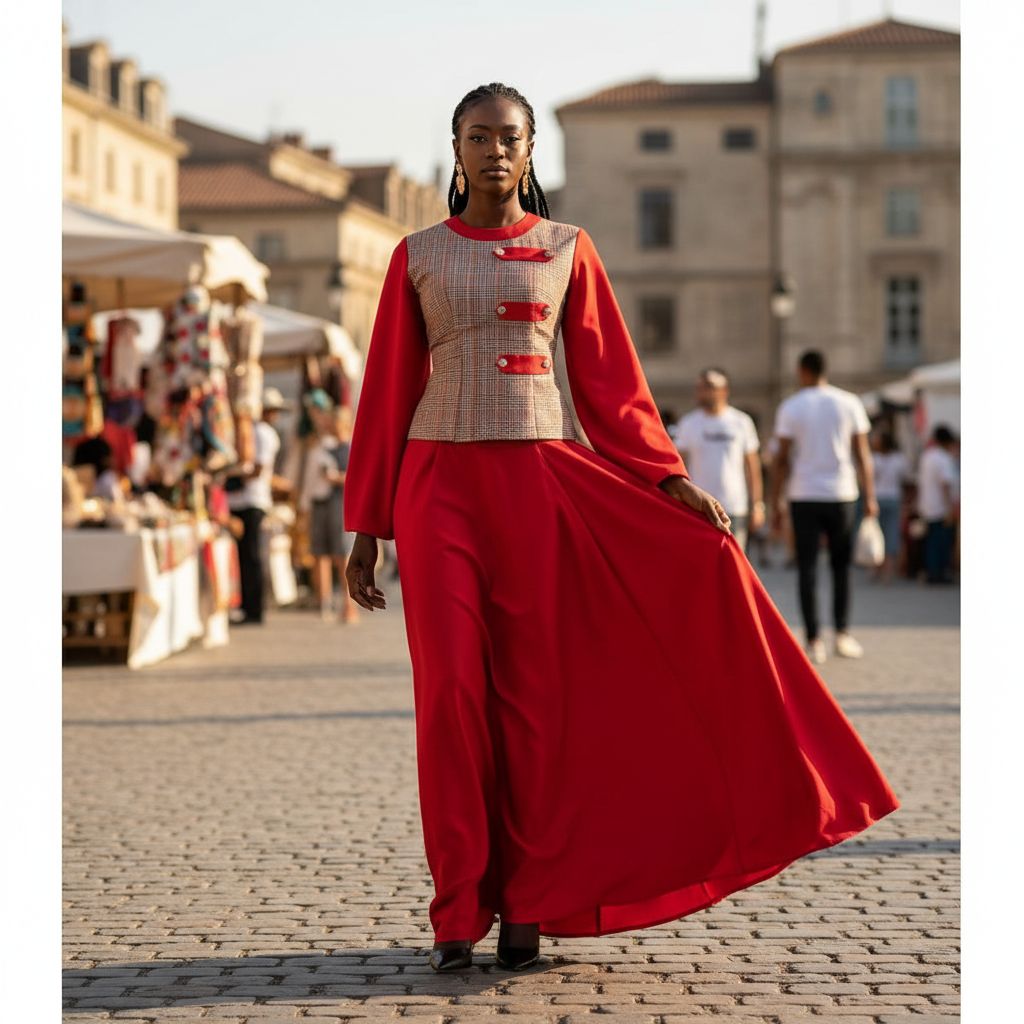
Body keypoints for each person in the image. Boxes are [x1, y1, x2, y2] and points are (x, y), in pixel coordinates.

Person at [342, 83, 899, 974]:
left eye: (509, 138)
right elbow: (386, 392)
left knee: (534, 705)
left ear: (530, 153)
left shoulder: (569, 249)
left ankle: (529, 900)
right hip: (438, 483)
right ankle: (458, 906)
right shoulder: (416, 255)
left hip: (539, 482)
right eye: (477, 136)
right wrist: (366, 524)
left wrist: (669, 478)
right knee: (450, 696)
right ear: (454, 147)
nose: (493, 151)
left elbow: (609, 381)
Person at [769, 350, 878, 665]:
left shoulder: (791, 406)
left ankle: (814, 639)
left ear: (802, 371)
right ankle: (842, 634)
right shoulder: (850, 403)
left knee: (807, 567)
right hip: (842, 493)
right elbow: (863, 455)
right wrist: (869, 496)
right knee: (841, 567)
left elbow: (781, 459)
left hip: (803, 494)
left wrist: (776, 499)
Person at [670, 368, 764, 552]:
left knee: (735, 564)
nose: (702, 391)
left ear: (724, 390)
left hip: (734, 508)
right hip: (699, 508)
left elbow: (752, 467)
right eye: (700, 386)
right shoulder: (688, 424)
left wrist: (758, 506)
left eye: (709, 386)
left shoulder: (741, 422)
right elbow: (678, 464)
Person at [228, 387, 287, 625]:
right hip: (246, 499)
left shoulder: (262, 433)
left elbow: (258, 469)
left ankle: (254, 609)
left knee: (251, 556)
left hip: (251, 499)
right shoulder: (254, 431)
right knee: (245, 556)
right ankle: (247, 606)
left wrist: (231, 478)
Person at [301, 390, 360, 624]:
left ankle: (348, 604)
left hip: (340, 503)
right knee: (320, 553)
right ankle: (323, 601)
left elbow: (358, 478)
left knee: (341, 554)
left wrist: (337, 478)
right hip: (323, 501)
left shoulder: (351, 448)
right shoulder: (324, 447)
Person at [916, 424, 959, 584]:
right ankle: (938, 573)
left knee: (931, 541)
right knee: (941, 542)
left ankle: (932, 572)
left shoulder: (927, 456)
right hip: (941, 507)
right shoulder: (944, 458)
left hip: (927, 505)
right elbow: (945, 484)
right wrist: (949, 508)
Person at [871, 431, 910, 584]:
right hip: (892, 499)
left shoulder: (874, 459)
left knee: (879, 533)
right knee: (890, 533)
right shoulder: (898, 460)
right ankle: (886, 570)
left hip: (879, 499)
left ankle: (878, 568)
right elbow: (906, 479)